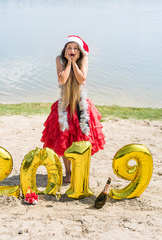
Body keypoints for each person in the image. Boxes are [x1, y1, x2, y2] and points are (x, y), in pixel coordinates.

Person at [41, 35, 106, 183]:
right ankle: (68, 172)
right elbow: (62, 79)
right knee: (64, 140)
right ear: (65, 49)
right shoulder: (59, 59)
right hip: (64, 105)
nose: (72, 50)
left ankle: (78, 169)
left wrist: (75, 62)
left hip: (80, 105)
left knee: (81, 140)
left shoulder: (84, 59)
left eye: (75, 48)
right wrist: (68, 62)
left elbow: (81, 79)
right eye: (69, 47)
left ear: (79, 50)